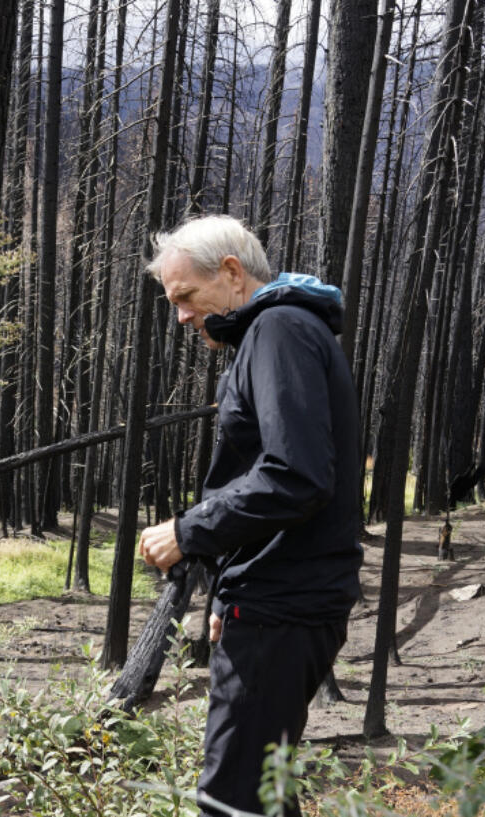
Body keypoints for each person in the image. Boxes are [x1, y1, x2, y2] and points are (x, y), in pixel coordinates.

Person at [136, 215, 362, 817]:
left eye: (186, 296)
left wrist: (189, 532)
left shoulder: (279, 330)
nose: (181, 316)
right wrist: (226, 595)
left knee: (231, 801)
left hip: (285, 607)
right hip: (275, 601)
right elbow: (274, 477)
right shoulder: (282, 330)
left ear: (232, 273)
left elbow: (296, 475)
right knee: (262, 795)